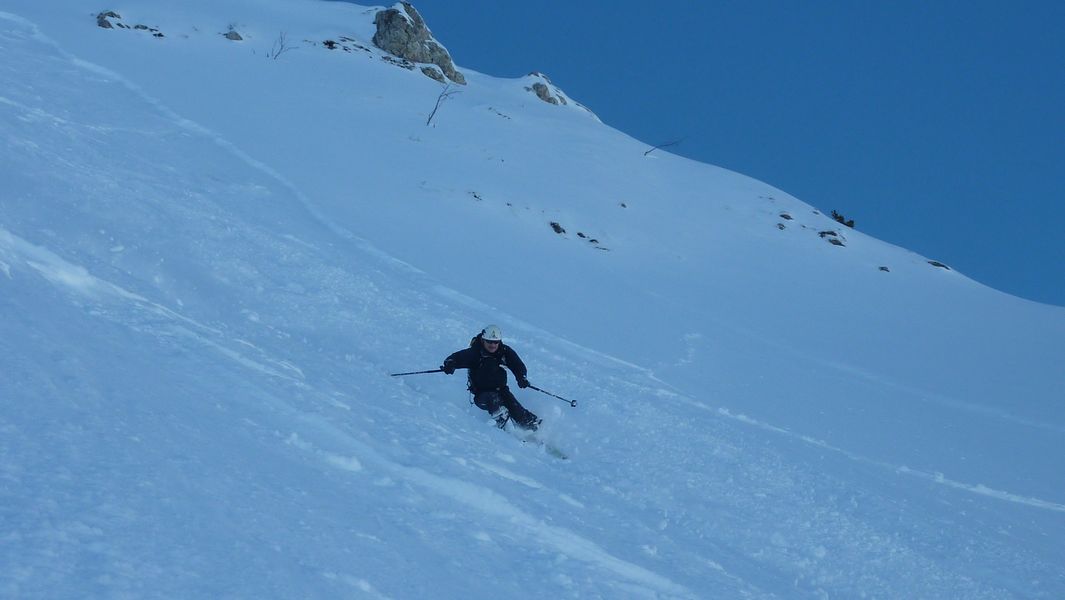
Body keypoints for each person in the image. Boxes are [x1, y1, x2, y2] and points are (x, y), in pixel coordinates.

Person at [441, 325, 541, 431]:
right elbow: (456, 358)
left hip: (502, 390)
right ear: (483, 340)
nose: (493, 345)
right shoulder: (475, 353)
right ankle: (506, 427)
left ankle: (534, 428)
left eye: (496, 342)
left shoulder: (504, 352)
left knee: (516, 410)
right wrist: (450, 365)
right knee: (493, 400)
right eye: (489, 342)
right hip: (481, 394)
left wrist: (522, 378)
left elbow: (517, 365)